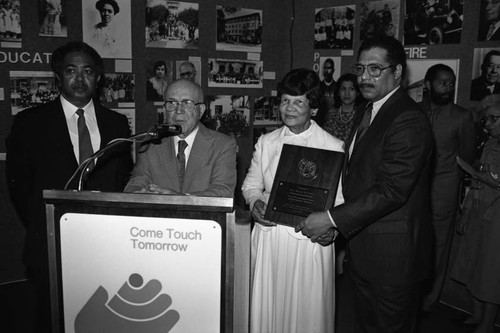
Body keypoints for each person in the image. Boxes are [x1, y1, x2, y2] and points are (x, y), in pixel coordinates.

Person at [296, 36, 434, 332]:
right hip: (363, 249)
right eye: (360, 69)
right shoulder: (367, 110)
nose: (364, 77)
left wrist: (332, 219)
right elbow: (355, 175)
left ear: (397, 72)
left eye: (375, 69)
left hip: (393, 259)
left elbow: (391, 190)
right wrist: (337, 224)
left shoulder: (408, 118)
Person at [5, 41, 133, 332]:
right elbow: (20, 187)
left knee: (104, 319)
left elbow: (122, 180)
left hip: (106, 246)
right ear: (58, 77)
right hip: (50, 243)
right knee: (52, 319)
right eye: (70, 71)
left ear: (98, 79)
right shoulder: (30, 123)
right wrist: (47, 224)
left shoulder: (116, 124)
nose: (79, 78)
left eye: (87, 71)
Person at [241, 68, 344, 333]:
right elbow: (251, 185)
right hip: (270, 238)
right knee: (267, 308)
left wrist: (332, 230)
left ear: (313, 108)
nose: (290, 107)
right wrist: (254, 204)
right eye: (285, 100)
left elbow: (341, 200)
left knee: (307, 313)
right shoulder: (266, 142)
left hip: (310, 242)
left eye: (299, 101)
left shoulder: (333, 146)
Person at [419, 64, 477, 311]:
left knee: (439, 248)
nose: (448, 88)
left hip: (443, 194)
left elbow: (467, 157)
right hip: (411, 193)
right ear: (427, 84)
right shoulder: (413, 111)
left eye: (451, 83)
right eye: (442, 83)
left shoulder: (461, 116)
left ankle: (429, 301)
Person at [125, 79, 237, 197]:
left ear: (201, 110)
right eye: (172, 103)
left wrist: (178, 199)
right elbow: (134, 185)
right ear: (165, 109)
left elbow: (223, 192)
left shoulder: (222, 145)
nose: (178, 110)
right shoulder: (152, 144)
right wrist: (140, 194)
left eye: (187, 103)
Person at [451, 103, 500, 333]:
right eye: (486, 120)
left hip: (496, 213)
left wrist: (471, 171)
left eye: (494, 119)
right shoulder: (489, 143)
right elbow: (479, 181)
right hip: (479, 207)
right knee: (474, 261)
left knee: (491, 269)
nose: (488, 124)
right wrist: (467, 210)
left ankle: (487, 324)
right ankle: (477, 314)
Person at [323, 73, 364, 142]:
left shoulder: (362, 115)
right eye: (343, 89)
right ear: (338, 92)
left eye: (351, 89)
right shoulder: (331, 114)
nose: (346, 93)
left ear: (358, 92)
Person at [317, 58, 336, 125]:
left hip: (333, 123)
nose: (326, 70)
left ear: (333, 70)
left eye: (329, 68)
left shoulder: (337, 87)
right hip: (319, 122)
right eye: (325, 68)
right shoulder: (318, 87)